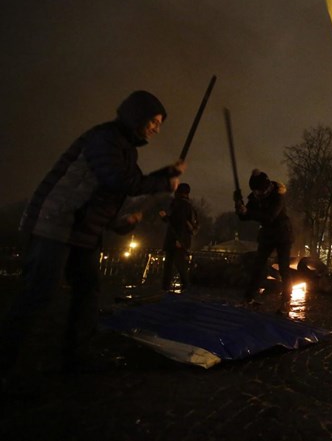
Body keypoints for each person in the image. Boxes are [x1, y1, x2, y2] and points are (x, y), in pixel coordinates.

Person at [0, 90, 184, 375]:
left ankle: (76, 357)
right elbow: (119, 180)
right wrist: (164, 179)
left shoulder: (125, 149)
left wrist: (118, 221)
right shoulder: (105, 138)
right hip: (56, 222)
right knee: (37, 293)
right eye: (154, 121)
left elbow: (106, 194)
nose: (157, 128)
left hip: (82, 228)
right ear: (137, 116)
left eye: (160, 123)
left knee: (87, 290)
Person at [235, 169, 294, 307]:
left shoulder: (277, 196)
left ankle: (286, 300)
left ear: (266, 187)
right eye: (254, 191)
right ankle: (249, 297)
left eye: (258, 191)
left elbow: (269, 217)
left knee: (284, 268)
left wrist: (248, 211)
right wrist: (240, 209)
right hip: (267, 235)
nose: (256, 194)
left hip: (283, 234)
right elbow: (245, 216)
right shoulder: (256, 196)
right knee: (258, 266)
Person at [158, 182, 198, 292]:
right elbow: (178, 222)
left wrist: (178, 239)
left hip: (176, 239)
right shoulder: (187, 205)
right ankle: (180, 287)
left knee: (173, 264)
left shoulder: (179, 204)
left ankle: (169, 287)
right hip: (180, 239)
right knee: (176, 263)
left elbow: (177, 222)